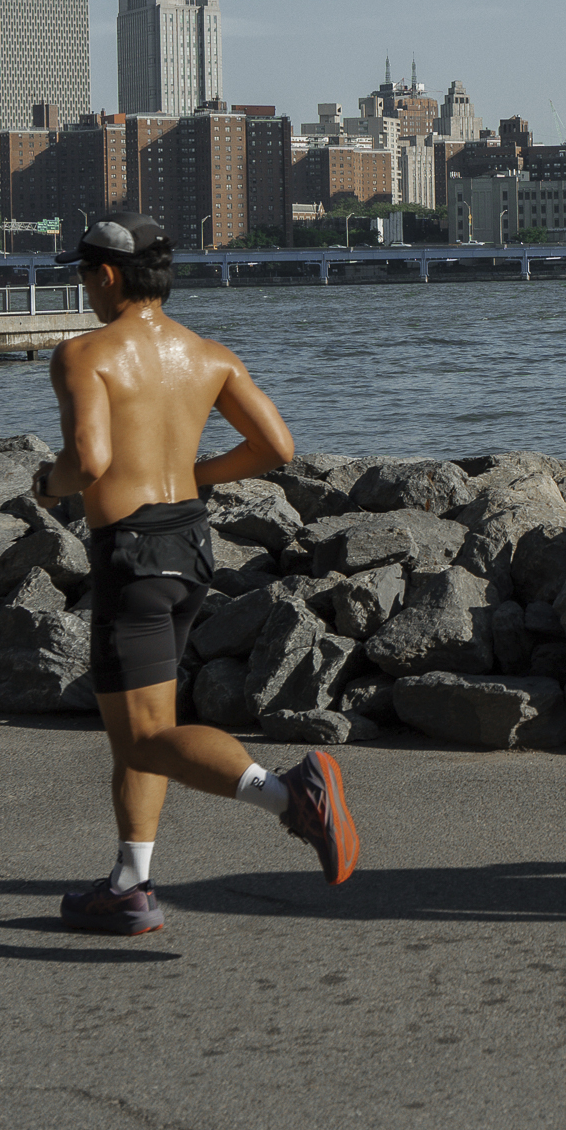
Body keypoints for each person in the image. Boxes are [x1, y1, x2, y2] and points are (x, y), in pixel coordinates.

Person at [43, 212, 359, 936]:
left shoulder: (83, 355)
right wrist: (194, 471)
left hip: (130, 555)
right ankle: (130, 884)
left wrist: (46, 484)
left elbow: (87, 462)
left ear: (109, 275)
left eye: (85, 275)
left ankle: (292, 795)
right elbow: (275, 446)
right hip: (188, 546)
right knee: (147, 724)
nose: (85, 289)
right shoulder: (207, 355)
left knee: (142, 738)